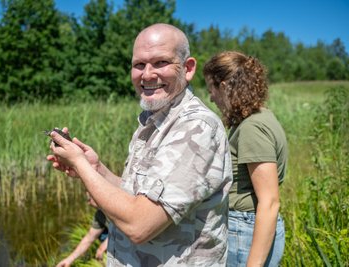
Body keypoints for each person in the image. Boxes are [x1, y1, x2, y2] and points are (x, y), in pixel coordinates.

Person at [47, 23, 232, 266]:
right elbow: (135, 196)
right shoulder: (153, 120)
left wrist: (79, 164)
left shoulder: (195, 128)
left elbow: (139, 224)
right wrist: (96, 169)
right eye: (139, 65)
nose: (146, 75)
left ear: (188, 69)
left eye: (160, 63)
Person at [203, 51, 287, 267]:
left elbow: (269, 201)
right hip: (247, 230)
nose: (210, 97)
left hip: (245, 231)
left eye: (210, 88)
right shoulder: (259, 118)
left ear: (223, 86)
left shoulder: (252, 127)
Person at [56, 193, 109, 267]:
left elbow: (123, 230)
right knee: (102, 236)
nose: (88, 203)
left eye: (89, 199)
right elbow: (89, 237)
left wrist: (103, 246)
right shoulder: (99, 215)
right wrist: (69, 259)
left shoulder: (112, 208)